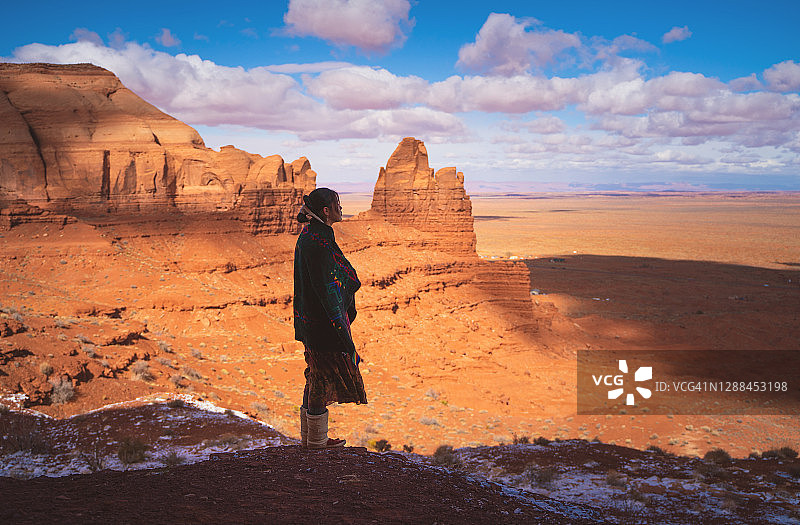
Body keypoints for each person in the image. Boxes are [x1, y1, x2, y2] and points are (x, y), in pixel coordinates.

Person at [293, 188, 367, 449]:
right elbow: (329, 283)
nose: (341, 208)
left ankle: (311, 440)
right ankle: (316, 442)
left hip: (312, 321)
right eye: (337, 204)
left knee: (314, 374)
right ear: (326, 211)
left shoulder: (314, 236)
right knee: (320, 378)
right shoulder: (318, 242)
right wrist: (347, 285)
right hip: (322, 323)